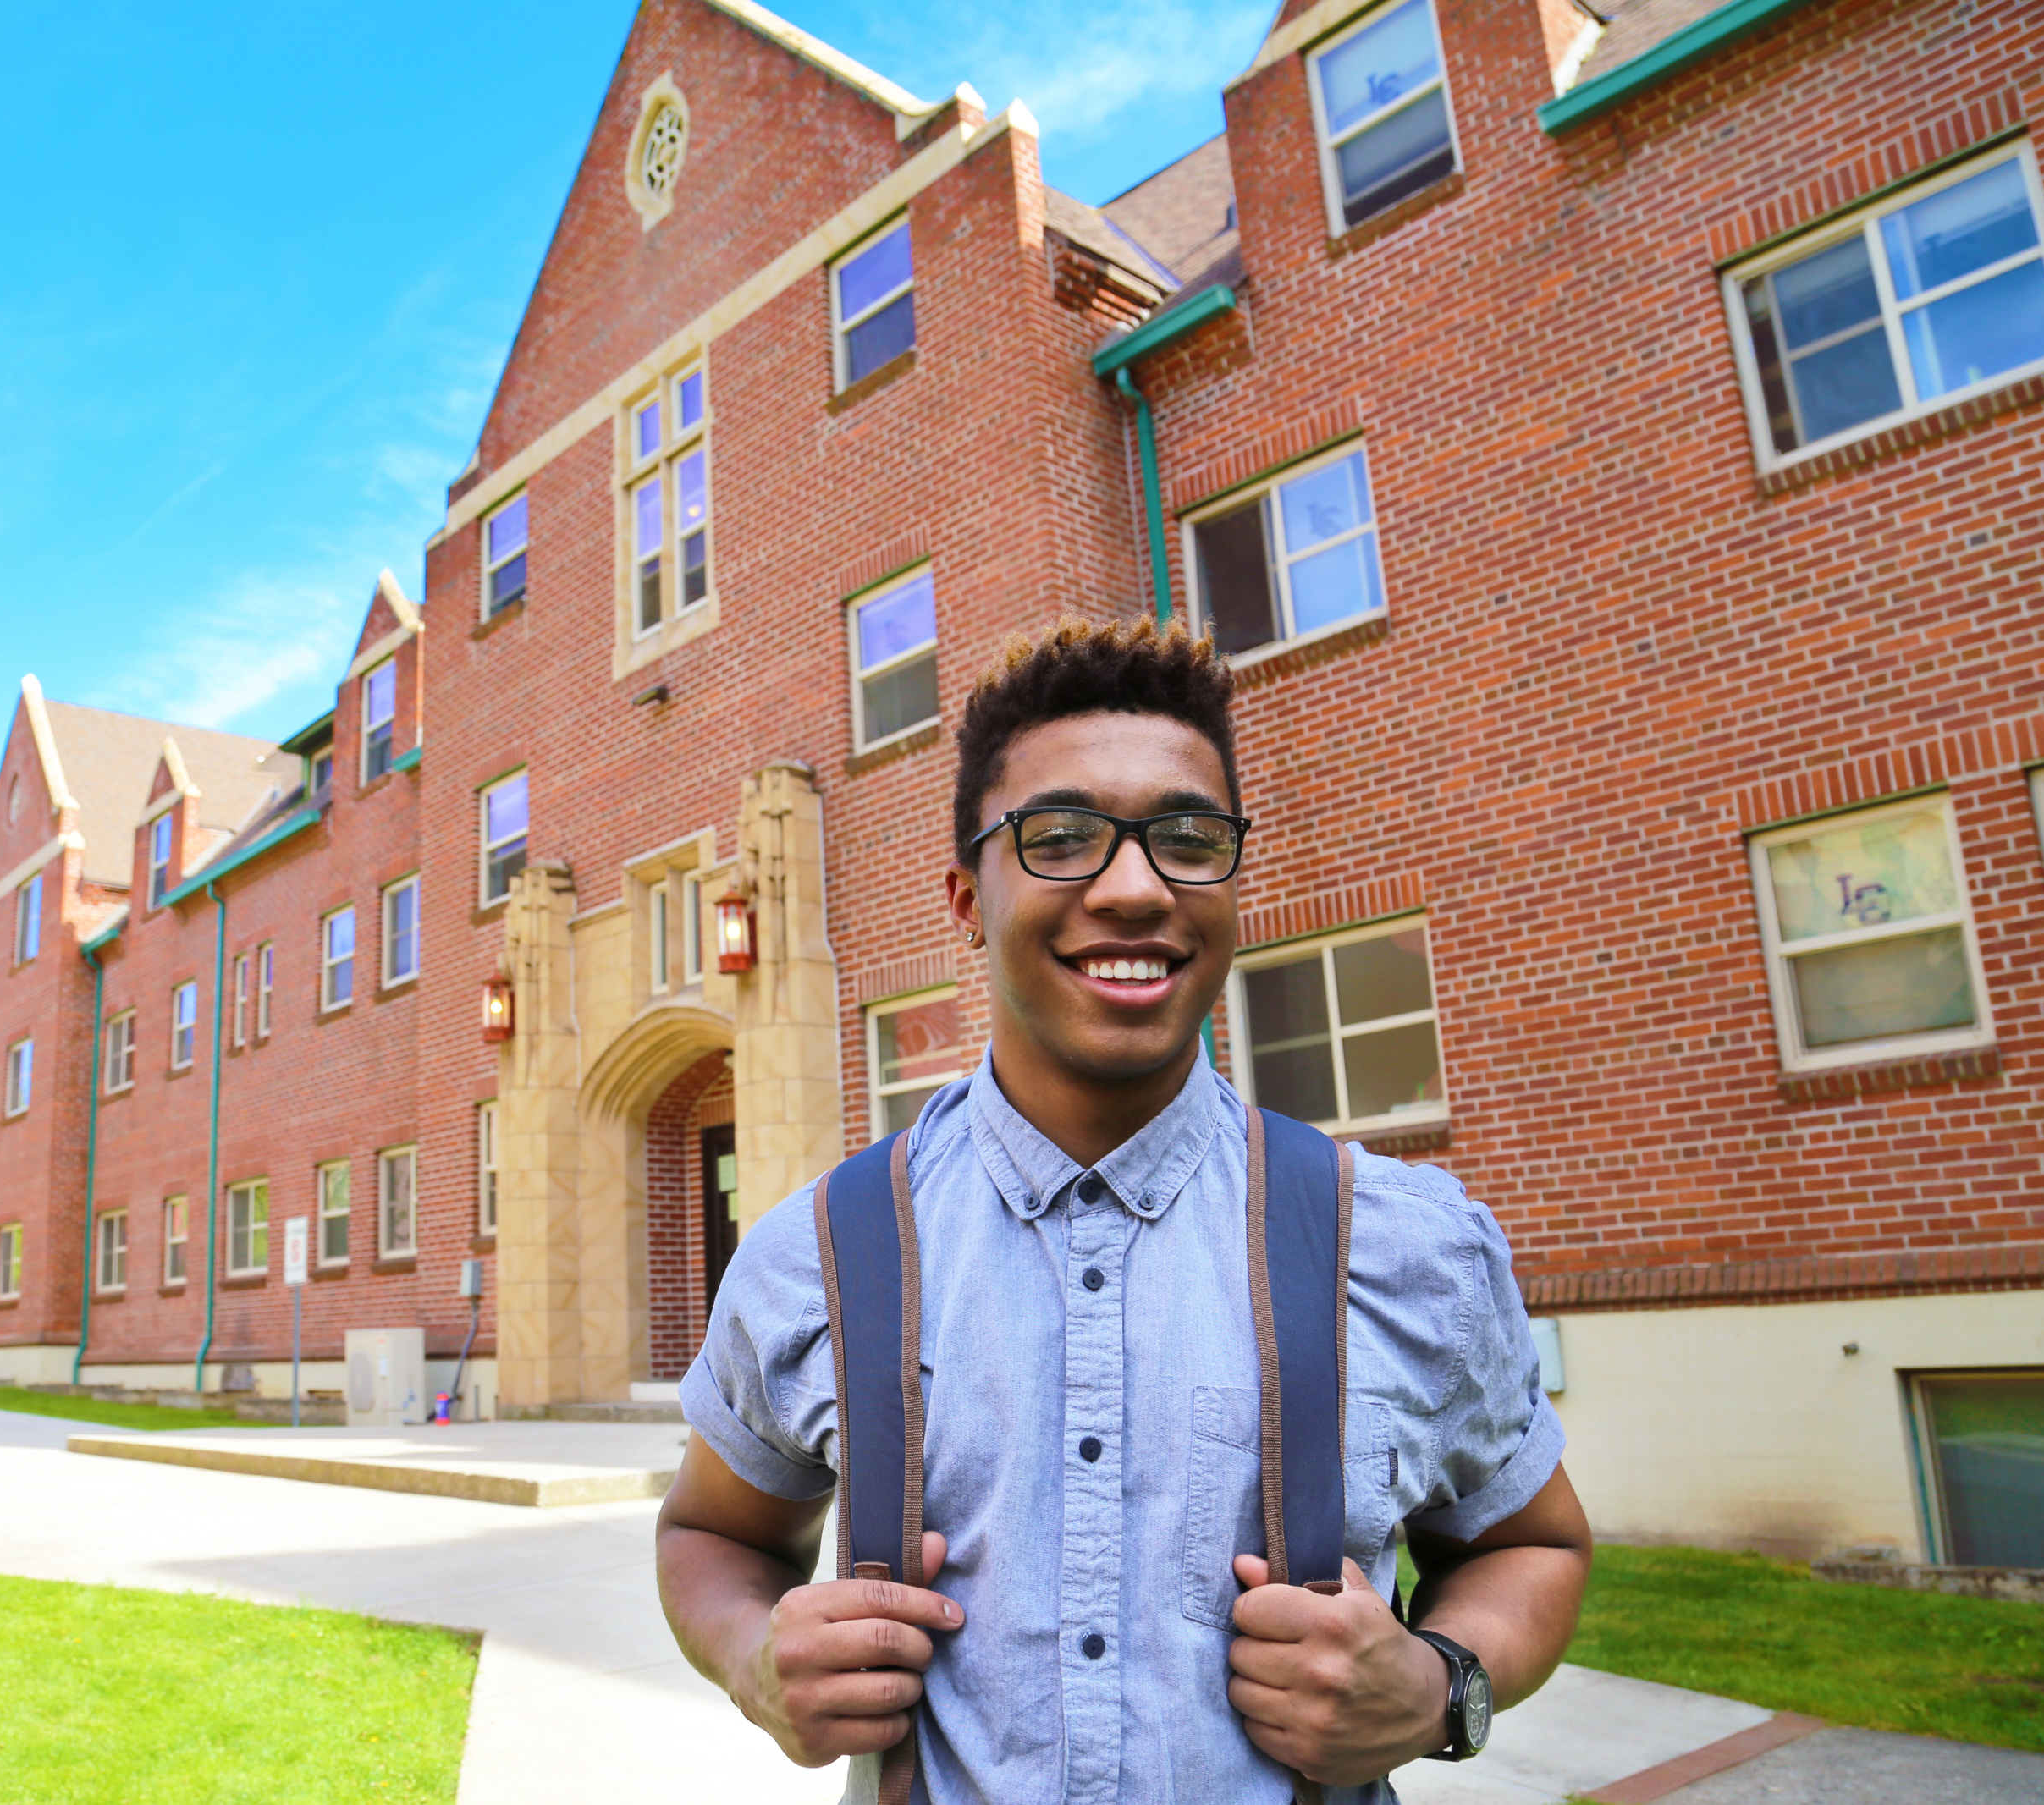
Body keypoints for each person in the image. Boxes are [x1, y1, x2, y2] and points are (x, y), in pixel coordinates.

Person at [657, 616, 1590, 1801]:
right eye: (1060, 837)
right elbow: (711, 1535)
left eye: (1188, 837)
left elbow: (1530, 1543)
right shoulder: (817, 1257)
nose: (1136, 886)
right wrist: (753, 1656)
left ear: (1234, 882)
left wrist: (1441, 1685)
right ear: (964, 896)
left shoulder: (1408, 1247)